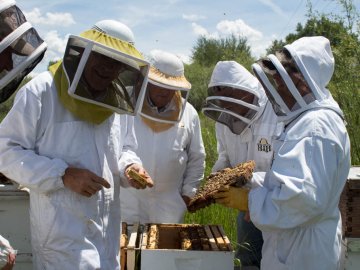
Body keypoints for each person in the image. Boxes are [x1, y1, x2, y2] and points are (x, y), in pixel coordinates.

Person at [0, 19, 153, 269]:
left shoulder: (116, 103)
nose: (108, 68)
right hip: (61, 234)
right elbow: (5, 151)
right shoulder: (41, 92)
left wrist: (131, 167)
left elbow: (125, 148)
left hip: (107, 232)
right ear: (82, 53)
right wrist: (63, 175)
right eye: (103, 58)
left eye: (117, 63)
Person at [215, 36, 351, 270]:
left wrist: (250, 201)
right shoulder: (307, 121)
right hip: (295, 244)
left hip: (304, 253)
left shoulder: (314, 127)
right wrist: (250, 182)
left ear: (302, 82)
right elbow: (288, 180)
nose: (276, 90)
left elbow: (301, 199)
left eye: (281, 83)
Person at [202, 61, 279, 269]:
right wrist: (217, 176)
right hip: (244, 205)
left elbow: (286, 172)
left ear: (245, 92)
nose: (227, 107)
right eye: (223, 100)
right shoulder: (225, 119)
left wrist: (257, 200)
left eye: (230, 98)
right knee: (248, 260)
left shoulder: (277, 112)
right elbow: (225, 155)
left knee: (276, 259)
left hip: (278, 205)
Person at [120, 49, 206, 223]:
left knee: (163, 249)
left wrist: (188, 193)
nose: (166, 91)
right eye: (160, 84)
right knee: (126, 249)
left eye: (172, 86)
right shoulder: (123, 102)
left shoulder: (189, 112)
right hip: (126, 202)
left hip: (170, 206)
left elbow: (197, 157)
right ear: (146, 79)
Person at [0, 0, 47, 103]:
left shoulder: (10, 43)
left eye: (13, 13)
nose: (14, 18)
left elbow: (32, 51)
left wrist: (8, 34)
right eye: (9, 14)